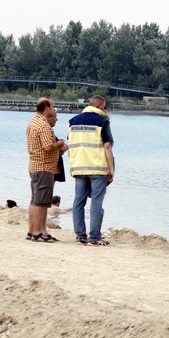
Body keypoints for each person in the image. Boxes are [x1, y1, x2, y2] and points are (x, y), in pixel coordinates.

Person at [68, 95, 115, 246]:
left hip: (79, 167)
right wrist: (111, 168)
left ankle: (80, 237)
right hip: (98, 168)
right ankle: (94, 238)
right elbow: (107, 147)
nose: (106, 110)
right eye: (105, 107)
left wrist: (72, 165)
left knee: (78, 202)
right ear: (100, 106)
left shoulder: (73, 121)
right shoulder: (102, 121)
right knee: (96, 203)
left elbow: (72, 144)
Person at [26, 97, 67, 242]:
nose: (53, 109)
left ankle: (35, 231)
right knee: (40, 202)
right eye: (52, 106)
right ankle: (38, 232)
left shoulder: (33, 123)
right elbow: (48, 147)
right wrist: (60, 143)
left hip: (36, 166)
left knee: (37, 200)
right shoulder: (43, 125)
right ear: (46, 108)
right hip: (43, 167)